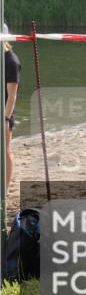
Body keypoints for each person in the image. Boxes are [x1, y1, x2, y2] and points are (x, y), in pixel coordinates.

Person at [3, 22, 19, 198]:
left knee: (5, 151)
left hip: (5, 113)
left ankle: (5, 190)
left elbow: (12, 96)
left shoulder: (11, 61)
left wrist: (5, 119)